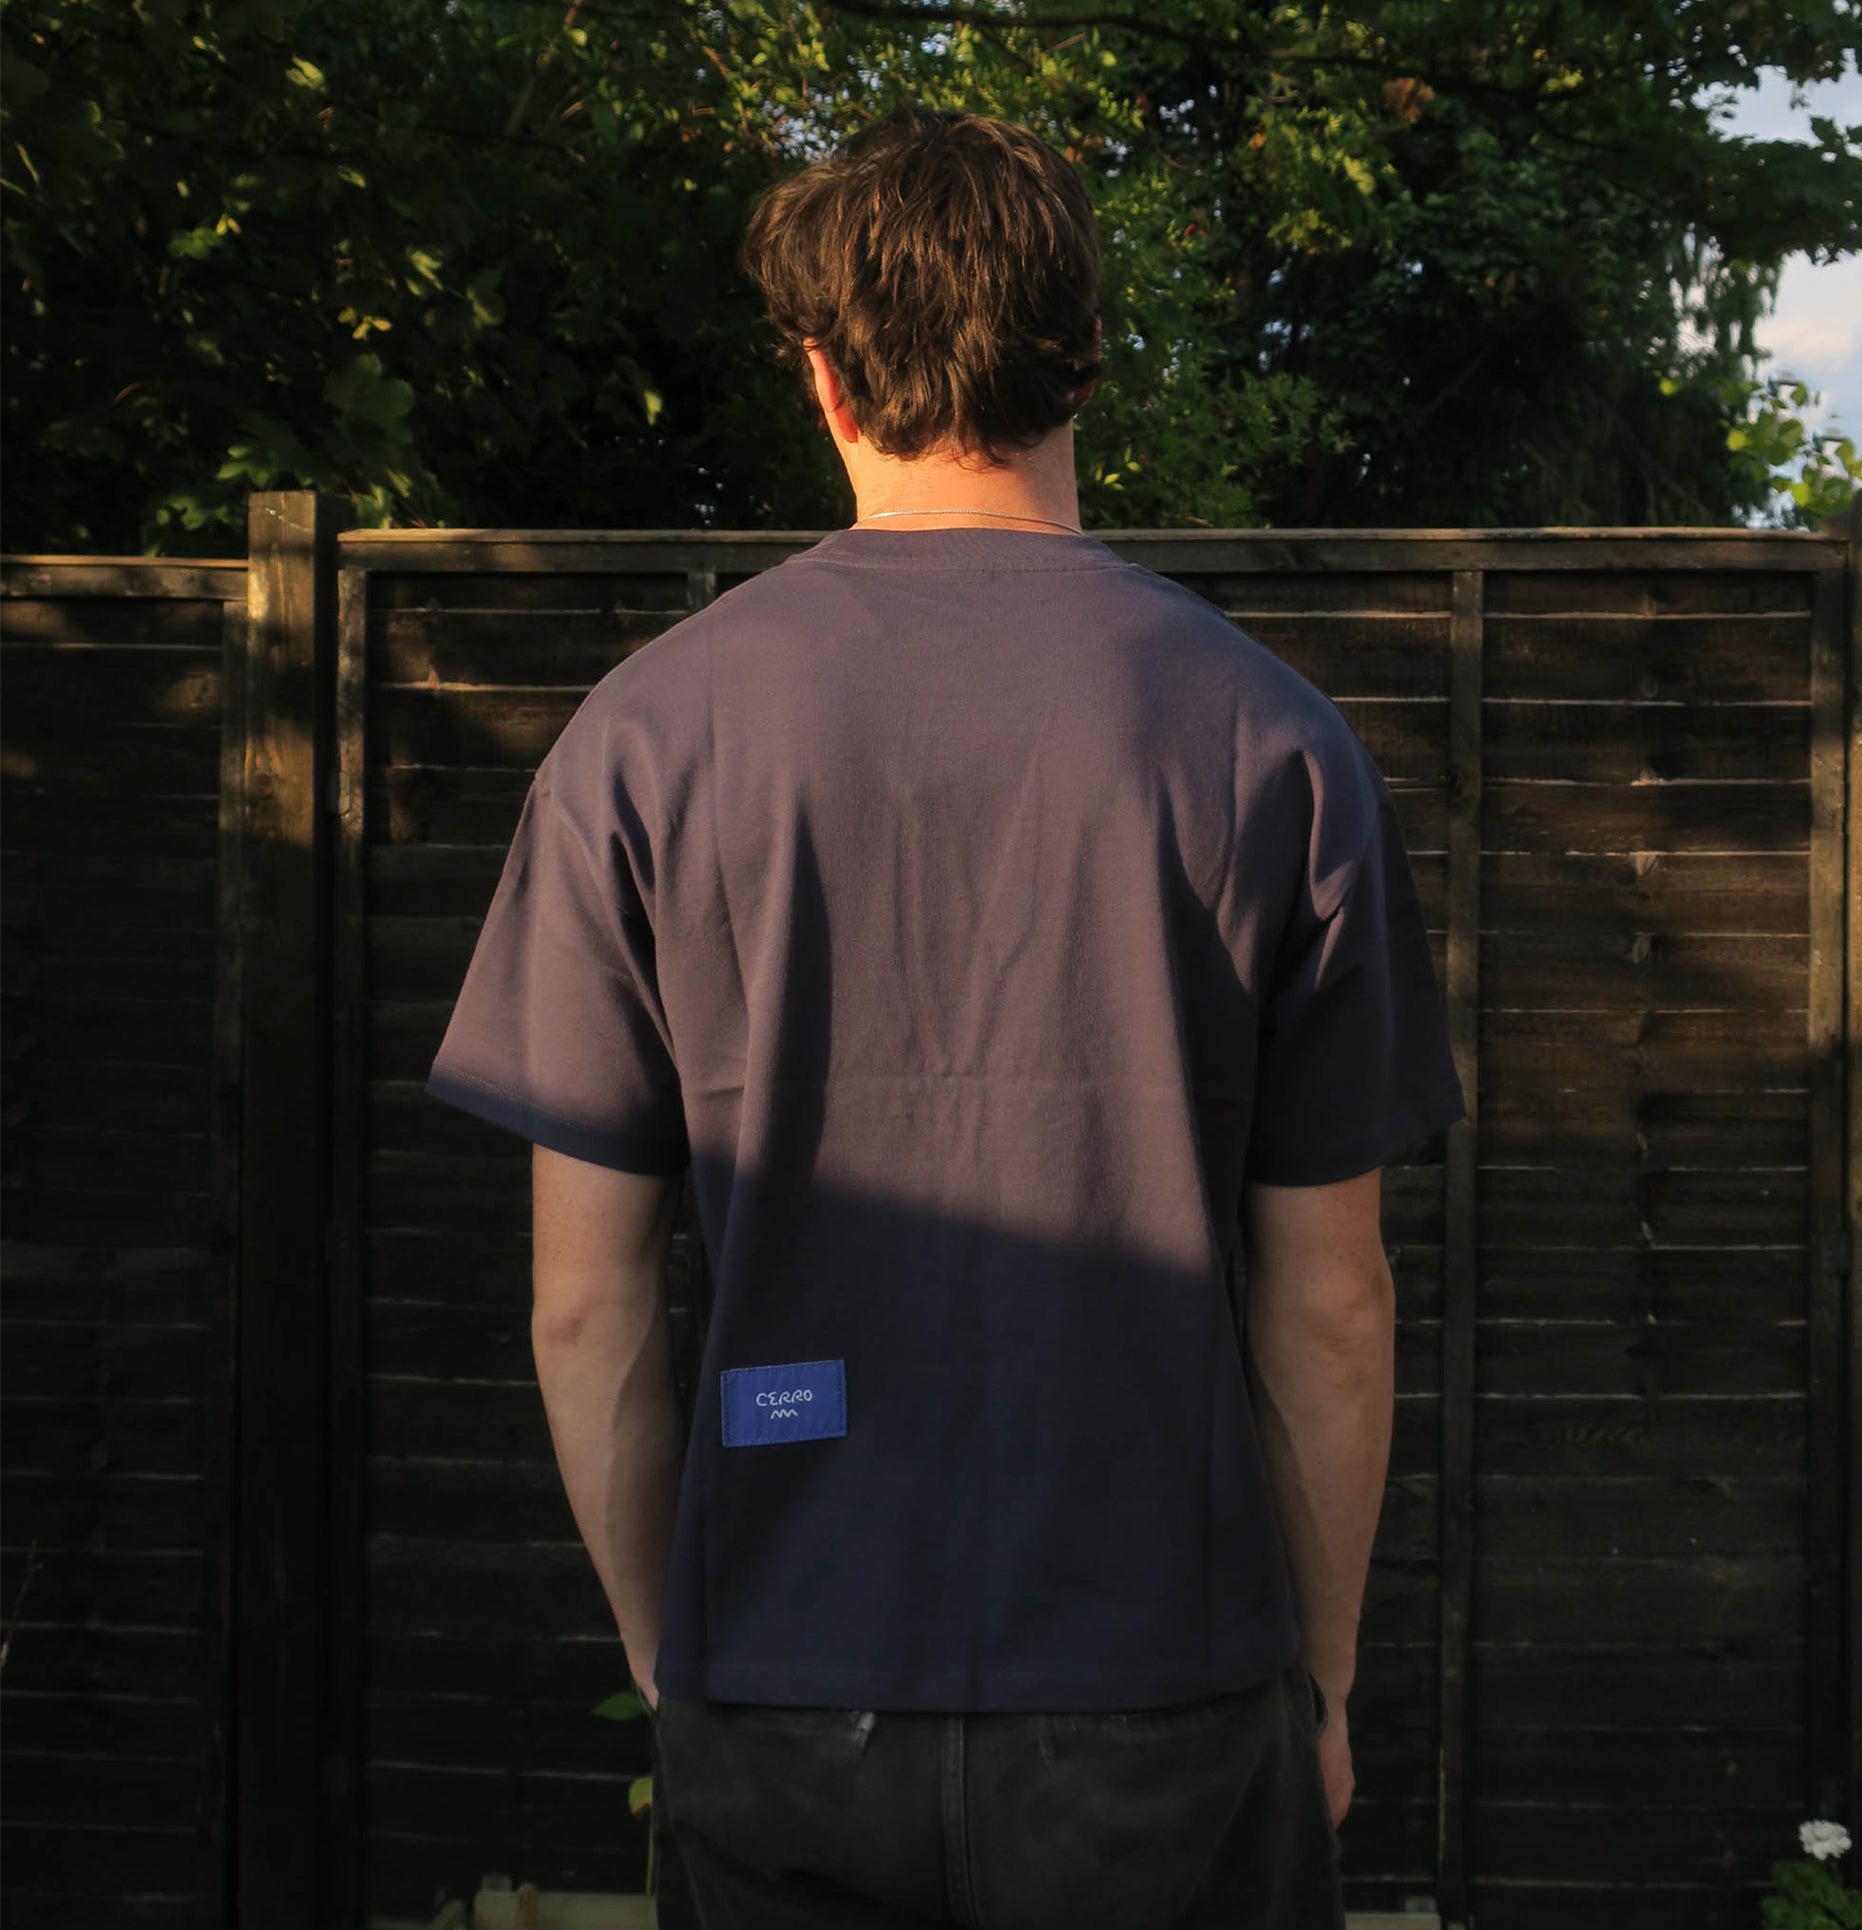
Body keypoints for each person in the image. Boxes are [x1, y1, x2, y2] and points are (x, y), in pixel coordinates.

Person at [425, 101, 1468, 1930]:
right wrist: (1318, 1679)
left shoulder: (639, 742)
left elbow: (585, 1305)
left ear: (824, 378)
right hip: (1168, 1696)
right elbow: (1332, 1307)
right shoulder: (1272, 743)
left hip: (781, 1677)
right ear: (1087, 357)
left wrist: (684, 1662)